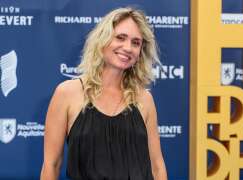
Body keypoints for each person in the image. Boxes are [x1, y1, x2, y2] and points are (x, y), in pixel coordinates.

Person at [40, 7, 167, 180]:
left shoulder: (144, 99)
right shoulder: (67, 93)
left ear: (140, 52)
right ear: (103, 40)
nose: (128, 47)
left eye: (136, 42)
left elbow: (157, 167)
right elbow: (51, 165)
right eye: (120, 38)